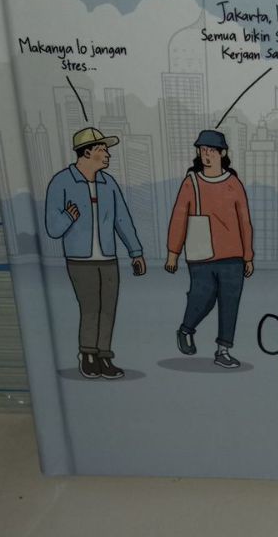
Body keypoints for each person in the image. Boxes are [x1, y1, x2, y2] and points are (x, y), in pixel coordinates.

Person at [45, 126, 146, 379]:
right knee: (90, 308)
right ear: (87, 152)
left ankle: (104, 356)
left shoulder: (108, 183)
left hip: (109, 259)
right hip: (80, 260)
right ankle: (88, 355)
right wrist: (69, 217)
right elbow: (52, 228)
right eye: (103, 149)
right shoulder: (62, 182)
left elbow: (122, 220)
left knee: (108, 309)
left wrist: (135, 252)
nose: (108, 154)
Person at [165, 129, 254, 368]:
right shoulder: (191, 182)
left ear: (222, 153)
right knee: (201, 297)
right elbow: (178, 218)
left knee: (230, 303)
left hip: (233, 256)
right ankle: (186, 329)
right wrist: (173, 253)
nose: (206, 155)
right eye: (202, 150)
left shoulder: (234, 183)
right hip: (201, 254)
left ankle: (223, 350)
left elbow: (244, 221)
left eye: (211, 151)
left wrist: (248, 256)